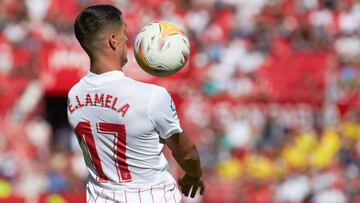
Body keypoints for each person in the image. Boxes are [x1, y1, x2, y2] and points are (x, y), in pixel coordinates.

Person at [67, 4, 205, 203]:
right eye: (124, 33)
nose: (128, 40)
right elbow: (187, 153)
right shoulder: (151, 96)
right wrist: (194, 175)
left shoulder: (74, 96)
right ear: (113, 41)